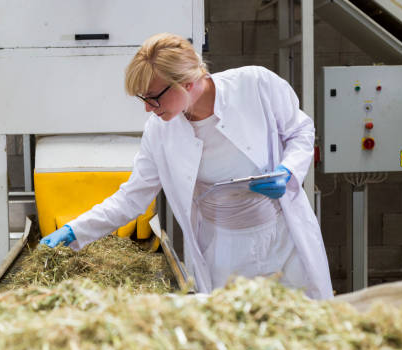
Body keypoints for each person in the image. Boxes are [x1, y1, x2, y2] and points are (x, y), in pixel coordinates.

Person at [40, 33, 333, 300]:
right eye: (143, 99)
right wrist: (75, 231)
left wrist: (289, 170)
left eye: (153, 98)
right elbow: (132, 197)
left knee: (303, 323)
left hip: (283, 239)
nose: (147, 108)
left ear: (188, 83)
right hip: (225, 250)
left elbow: (300, 131)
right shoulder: (160, 131)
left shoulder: (255, 85)